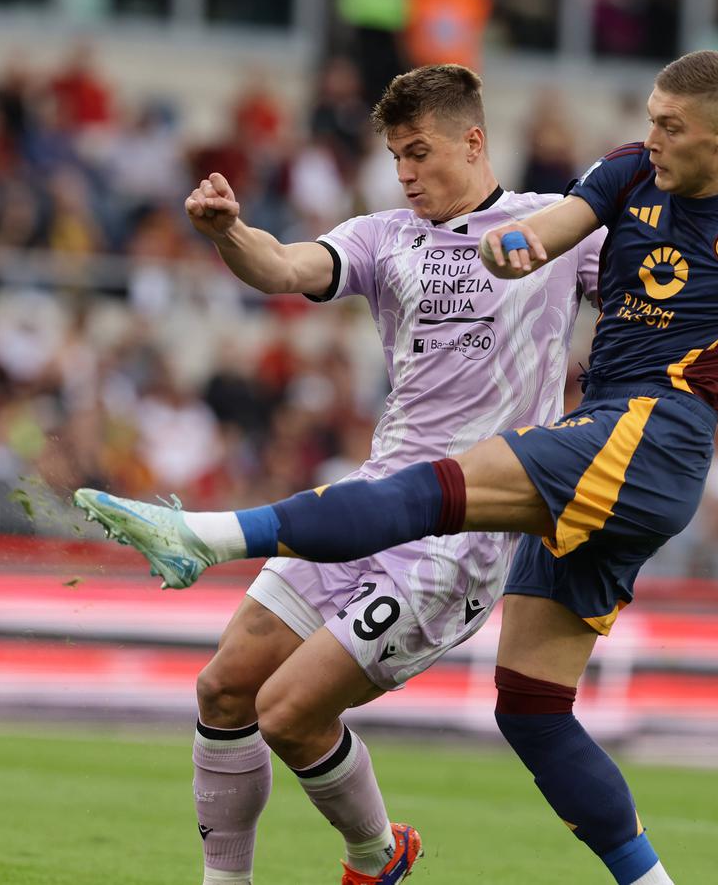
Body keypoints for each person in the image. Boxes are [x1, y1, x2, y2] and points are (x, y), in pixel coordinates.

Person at [77, 51, 718, 885]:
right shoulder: (606, 183)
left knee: (367, 592)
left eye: (669, 124)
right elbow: (351, 260)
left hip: (612, 449)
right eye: (395, 156)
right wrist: (505, 248)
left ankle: (203, 533)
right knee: (525, 710)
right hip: (562, 459)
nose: (648, 136)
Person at [82, 64, 601, 885]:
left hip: (457, 536)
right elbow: (287, 266)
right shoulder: (383, 235)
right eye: (396, 155)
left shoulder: (552, 229)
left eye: (420, 153)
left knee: (287, 713)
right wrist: (228, 233)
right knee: (224, 689)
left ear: (473, 140)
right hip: (366, 507)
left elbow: (653, 305)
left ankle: (376, 854)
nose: (405, 173)